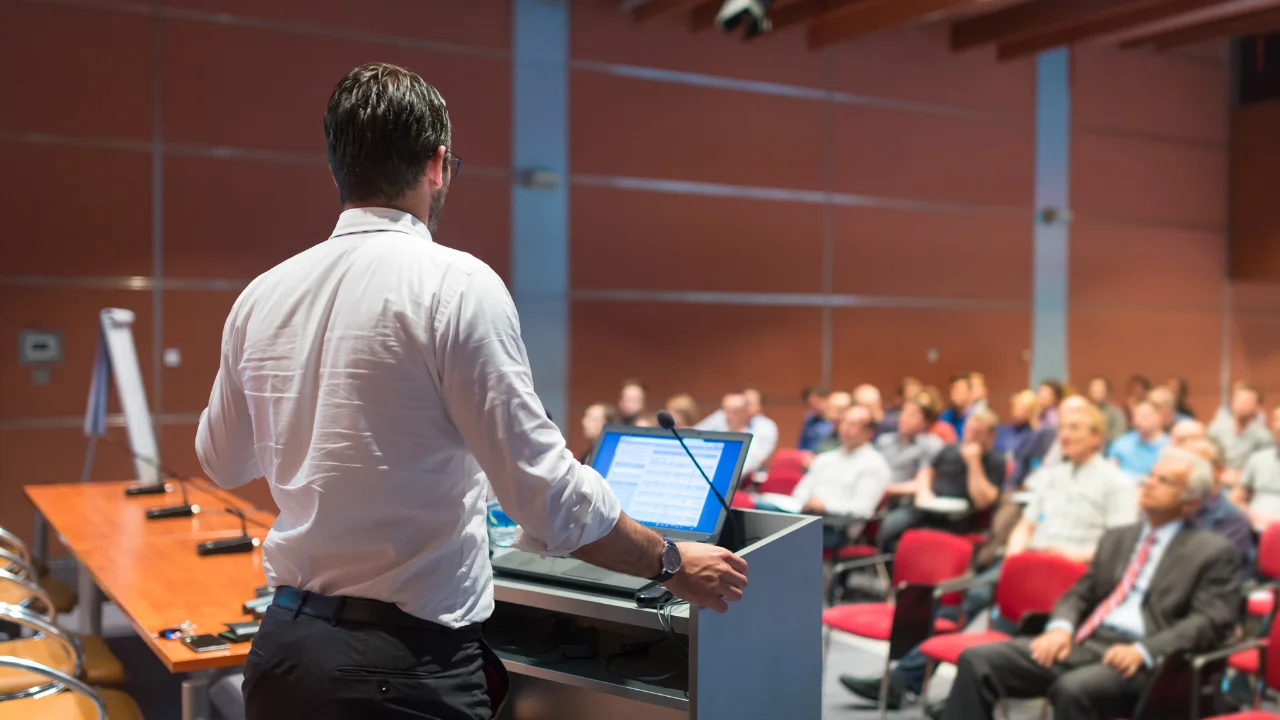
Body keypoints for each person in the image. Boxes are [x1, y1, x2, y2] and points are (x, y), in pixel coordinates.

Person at [194, 64, 748, 720]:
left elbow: (222, 461)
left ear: (337, 167)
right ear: (436, 165)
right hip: (403, 669)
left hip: (285, 654)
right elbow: (546, 498)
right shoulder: (453, 284)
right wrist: (671, 561)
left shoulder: (263, 295)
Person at [842, 400, 1137, 712]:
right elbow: (1025, 524)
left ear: (1096, 436)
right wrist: (1014, 556)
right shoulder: (1052, 475)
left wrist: (1067, 554)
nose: (1064, 434)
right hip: (1028, 564)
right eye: (1062, 427)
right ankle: (906, 681)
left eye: (1075, 428)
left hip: (1077, 574)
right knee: (960, 601)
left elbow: (1117, 548)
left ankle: (952, 688)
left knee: (999, 618)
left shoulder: (1116, 483)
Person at [940, 447, 1242, 720]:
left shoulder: (1213, 552)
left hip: (1147, 660)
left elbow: (1209, 620)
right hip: (1085, 641)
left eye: (1164, 481)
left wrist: (1144, 650)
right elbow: (1081, 593)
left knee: (1073, 689)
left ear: (1190, 503)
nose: (1149, 483)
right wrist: (1060, 628)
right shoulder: (1119, 537)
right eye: (1151, 476)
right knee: (978, 661)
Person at [876, 408, 1004, 553]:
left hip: (958, 518)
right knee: (885, 528)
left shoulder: (995, 461)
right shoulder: (949, 450)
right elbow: (926, 471)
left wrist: (974, 463)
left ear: (991, 435)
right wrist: (924, 491)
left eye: (977, 432)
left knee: (917, 543)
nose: (970, 436)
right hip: (926, 508)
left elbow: (983, 501)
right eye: (968, 430)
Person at [790, 406, 891, 550]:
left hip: (838, 530)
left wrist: (825, 506)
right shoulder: (825, 459)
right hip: (807, 518)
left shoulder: (874, 465)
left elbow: (863, 509)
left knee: (780, 541)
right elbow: (800, 491)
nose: (845, 428)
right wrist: (807, 501)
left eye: (853, 425)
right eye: (843, 422)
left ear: (868, 432)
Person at [1184, 437, 1255, 564]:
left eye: (1195, 465)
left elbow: (1218, 573)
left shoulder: (1233, 521)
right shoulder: (1171, 507)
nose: (1185, 471)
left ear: (1219, 470)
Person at [875, 397, 946, 503]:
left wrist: (887, 489)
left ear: (926, 422)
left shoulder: (930, 444)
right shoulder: (884, 440)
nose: (903, 418)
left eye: (911, 415)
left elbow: (923, 484)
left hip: (905, 502)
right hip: (875, 497)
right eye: (903, 412)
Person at [1207, 382, 1273, 484]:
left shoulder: (1264, 437)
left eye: (1247, 402)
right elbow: (1207, 456)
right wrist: (1220, 474)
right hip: (1218, 479)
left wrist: (1242, 477)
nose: (1241, 405)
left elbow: (1265, 468)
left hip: (1248, 484)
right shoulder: (1217, 428)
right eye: (1239, 400)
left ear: (1257, 407)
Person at [1232, 406, 1280, 531]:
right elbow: (1236, 496)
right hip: (1253, 526)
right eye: (1276, 420)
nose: (1278, 426)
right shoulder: (1258, 459)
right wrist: (1247, 513)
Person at [1107, 399, 1168, 479]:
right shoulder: (1121, 443)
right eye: (1135, 416)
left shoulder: (1169, 446)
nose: (1138, 421)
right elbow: (1109, 473)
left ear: (1159, 417)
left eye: (1144, 417)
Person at [994, 390, 1039, 458]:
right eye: (1017, 405)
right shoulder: (1001, 429)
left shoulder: (1031, 435)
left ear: (1030, 412)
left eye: (1023, 408)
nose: (1017, 409)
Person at [1087, 376, 1128, 446]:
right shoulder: (1084, 411)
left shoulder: (1116, 412)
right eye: (1095, 390)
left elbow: (1118, 435)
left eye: (1101, 390)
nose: (1098, 392)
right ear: (1090, 391)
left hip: (1109, 450)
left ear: (1106, 391)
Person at [796, 386, 831, 453]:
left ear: (826, 399)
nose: (814, 407)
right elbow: (801, 446)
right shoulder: (809, 419)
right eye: (810, 404)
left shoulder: (835, 421)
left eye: (816, 403)